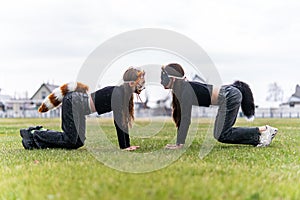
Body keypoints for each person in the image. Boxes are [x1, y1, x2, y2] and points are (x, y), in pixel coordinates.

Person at [20, 67, 145, 151]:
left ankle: (37, 139)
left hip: (79, 108)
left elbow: (123, 122)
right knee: (70, 140)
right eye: (140, 81)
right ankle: (33, 133)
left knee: (78, 142)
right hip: (73, 102)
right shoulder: (118, 94)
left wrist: (128, 145)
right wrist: (124, 147)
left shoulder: (124, 95)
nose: (142, 85)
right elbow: (118, 121)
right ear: (131, 83)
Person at [160, 63, 278, 149]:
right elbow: (182, 118)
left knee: (222, 134)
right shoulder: (182, 90)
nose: (161, 81)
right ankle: (261, 136)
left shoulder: (186, 90)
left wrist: (179, 144)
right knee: (220, 134)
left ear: (173, 79)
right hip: (228, 95)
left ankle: (264, 131)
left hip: (229, 96)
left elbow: (186, 119)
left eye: (164, 78)